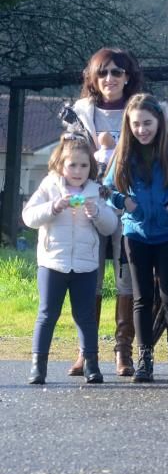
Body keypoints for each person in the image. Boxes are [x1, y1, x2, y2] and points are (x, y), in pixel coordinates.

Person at [105, 94, 168, 383]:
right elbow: (106, 190)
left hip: (167, 234)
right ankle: (144, 359)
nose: (142, 129)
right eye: (136, 124)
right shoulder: (123, 153)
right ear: (129, 125)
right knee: (142, 297)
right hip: (135, 234)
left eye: (147, 123)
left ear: (159, 122)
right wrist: (124, 202)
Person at [69, 47, 143, 376]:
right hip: (89, 207)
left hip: (127, 208)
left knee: (126, 280)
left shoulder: (141, 110)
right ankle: (87, 352)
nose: (110, 79)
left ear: (128, 77)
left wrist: (114, 151)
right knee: (90, 280)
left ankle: (123, 351)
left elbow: (153, 156)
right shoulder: (77, 114)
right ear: (93, 78)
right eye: (103, 73)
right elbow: (67, 160)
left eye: (117, 72)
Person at [22, 134, 118, 385]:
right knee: (47, 313)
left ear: (91, 167)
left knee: (85, 315)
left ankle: (92, 365)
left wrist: (96, 213)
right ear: (60, 165)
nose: (77, 171)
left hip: (86, 265)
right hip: (53, 263)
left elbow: (110, 226)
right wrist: (53, 207)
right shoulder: (49, 186)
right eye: (72, 165)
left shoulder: (96, 192)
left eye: (84, 165)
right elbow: (29, 217)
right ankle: (38, 366)